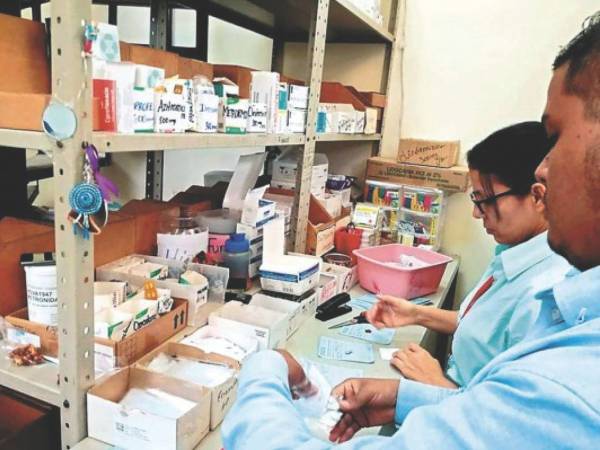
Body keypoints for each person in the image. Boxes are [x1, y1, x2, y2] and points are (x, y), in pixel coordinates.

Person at [222, 11, 600, 449]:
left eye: (555, 137)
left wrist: (264, 369)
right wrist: (407, 396)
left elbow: (510, 414)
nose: (542, 171)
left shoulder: (569, 389)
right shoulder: (566, 294)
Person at [368, 122, 571, 389]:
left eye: (485, 199)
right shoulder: (514, 253)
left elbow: (508, 411)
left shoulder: (543, 295)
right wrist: (415, 314)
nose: (476, 213)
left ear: (537, 196)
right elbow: (484, 329)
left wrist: (436, 381)